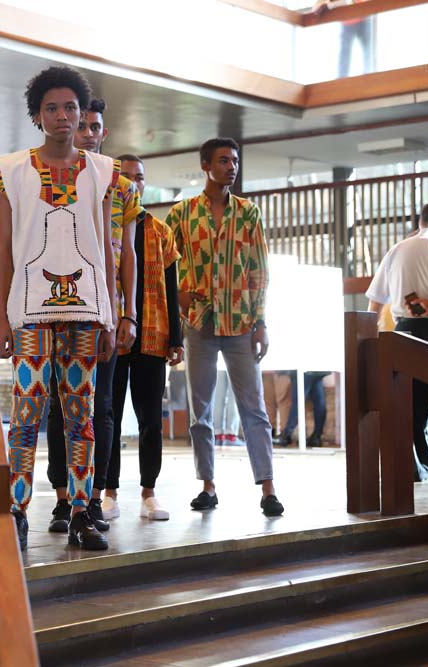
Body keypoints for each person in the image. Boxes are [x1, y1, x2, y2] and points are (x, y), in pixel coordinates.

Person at [0, 67, 123, 552]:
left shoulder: (103, 171)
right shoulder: (12, 171)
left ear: (83, 113)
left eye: (71, 107)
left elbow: (107, 251)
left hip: (87, 311)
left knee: (81, 418)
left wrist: (109, 314)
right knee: (25, 415)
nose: (63, 116)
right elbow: (4, 248)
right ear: (36, 115)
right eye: (52, 108)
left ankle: (82, 513)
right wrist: (0, 316)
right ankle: (17, 513)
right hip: (28, 310)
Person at [165, 137, 284, 517]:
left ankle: (268, 489)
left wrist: (262, 322)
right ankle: (208, 486)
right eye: (223, 160)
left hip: (242, 322)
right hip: (199, 322)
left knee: (255, 409)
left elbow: (260, 270)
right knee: (201, 410)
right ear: (205, 165)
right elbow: (165, 262)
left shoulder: (249, 213)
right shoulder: (181, 214)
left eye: (234, 160)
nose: (231, 166)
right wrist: (177, 294)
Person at [42, 97, 140, 535]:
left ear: (102, 131)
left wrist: (126, 313)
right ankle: (62, 497)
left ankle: (93, 498)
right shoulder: (51, 175)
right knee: (55, 407)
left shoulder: (120, 185)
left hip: (104, 310)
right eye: (84, 126)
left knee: (100, 409)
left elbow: (128, 255)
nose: (88, 133)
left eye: (96, 127)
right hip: (53, 306)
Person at [97, 154, 182, 522]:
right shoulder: (105, 224)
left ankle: (149, 493)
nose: (135, 183)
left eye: (140, 178)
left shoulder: (162, 232)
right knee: (109, 413)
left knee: (150, 418)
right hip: (114, 333)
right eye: (127, 176)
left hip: (153, 335)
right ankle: (108, 492)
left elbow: (173, 288)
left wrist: (177, 339)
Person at [366, 199, 428, 481]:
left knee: (413, 402)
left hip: (406, 332)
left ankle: (418, 466)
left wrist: (367, 336)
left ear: (419, 221)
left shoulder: (397, 249)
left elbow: (375, 301)